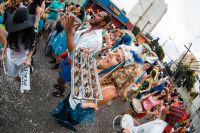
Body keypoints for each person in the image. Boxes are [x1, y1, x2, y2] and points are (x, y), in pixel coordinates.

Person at [52, 11, 112, 97]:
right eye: (96, 13)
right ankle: (61, 85)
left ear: (103, 22)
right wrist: (68, 26)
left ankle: (61, 92)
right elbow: (74, 36)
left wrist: (68, 30)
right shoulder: (88, 29)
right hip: (68, 58)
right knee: (60, 72)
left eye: (98, 15)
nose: (94, 15)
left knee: (60, 80)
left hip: (73, 64)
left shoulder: (96, 40)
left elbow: (74, 54)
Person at [5, 7, 36, 79]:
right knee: (14, 74)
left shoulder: (32, 33)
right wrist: (4, 52)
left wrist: (28, 58)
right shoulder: (12, 30)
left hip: (24, 58)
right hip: (12, 56)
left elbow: (33, 46)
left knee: (22, 76)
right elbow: (8, 39)